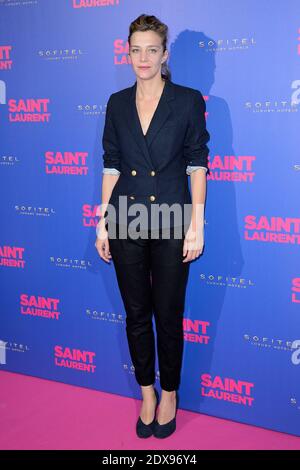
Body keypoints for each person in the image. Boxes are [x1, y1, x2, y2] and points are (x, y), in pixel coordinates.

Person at [95, 13, 210, 439]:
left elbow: (198, 165)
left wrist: (196, 224)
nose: (143, 58)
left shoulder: (188, 100)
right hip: (125, 216)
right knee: (137, 313)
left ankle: (171, 393)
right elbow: (111, 166)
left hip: (171, 218)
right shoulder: (116, 103)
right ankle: (147, 391)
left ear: (165, 54)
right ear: (128, 53)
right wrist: (104, 222)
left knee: (168, 314)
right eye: (135, 49)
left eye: (152, 49)